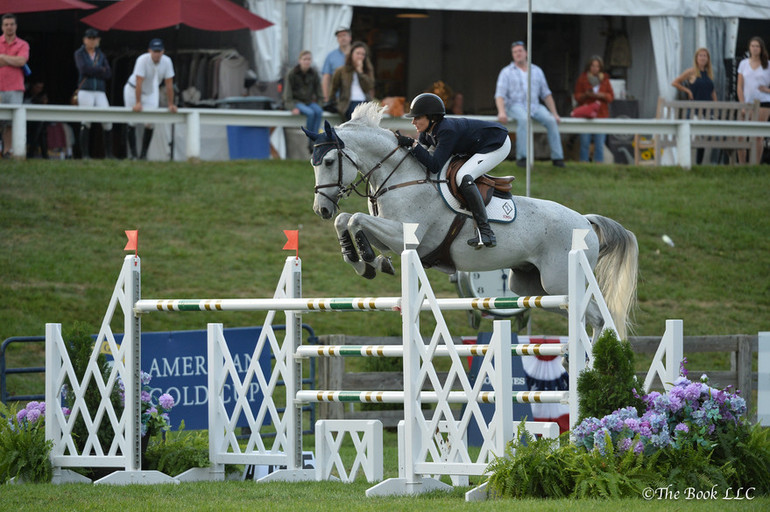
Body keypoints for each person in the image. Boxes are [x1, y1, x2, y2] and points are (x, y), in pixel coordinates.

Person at [397, 93, 511, 248]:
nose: (413, 121)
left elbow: (435, 165)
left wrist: (413, 144)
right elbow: (422, 157)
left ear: (431, 118)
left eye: (417, 117)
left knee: (464, 177)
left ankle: (486, 232)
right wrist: (408, 146)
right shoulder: (427, 133)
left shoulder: (446, 131)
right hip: (476, 144)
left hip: (496, 143)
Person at [494, 41, 564, 167]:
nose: (517, 54)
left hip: (535, 106)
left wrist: (555, 113)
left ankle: (557, 158)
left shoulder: (536, 70)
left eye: (520, 51)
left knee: (551, 121)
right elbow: (500, 95)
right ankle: (522, 158)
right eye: (515, 52)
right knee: (524, 119)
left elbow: (546, 94)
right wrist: (501, 111)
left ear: (526, 52)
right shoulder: (506, 72)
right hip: (515, 106)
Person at [124, 38, 177, 160]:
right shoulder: (142, 60)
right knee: (131, 121)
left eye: (159, 51)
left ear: (163, 51)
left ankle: (143, 154)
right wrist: (137, 102)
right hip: (133, 90)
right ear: (149, 51)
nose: (157, 54)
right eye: (154, 51)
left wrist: (171, 104)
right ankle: (133, 154)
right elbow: (139, 82)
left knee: (150, 122)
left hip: (151, 91)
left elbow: (169, 84)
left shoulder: (167, 61)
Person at [671, 48, 717, 164]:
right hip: (694, 111)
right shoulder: (691, 72)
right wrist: (688, 91)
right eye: (700, 56)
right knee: (689, 138)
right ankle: (685, 162)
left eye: (705, 56)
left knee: (703, 138)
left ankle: (699, 163)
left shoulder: (709, 74)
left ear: (708, 59)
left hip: (707, 111)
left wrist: (716, 107)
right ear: (696, 58)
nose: (702, 58)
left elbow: (713, 92)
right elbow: (675, 82)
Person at [74, 28, 113, 159]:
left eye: (94, 38)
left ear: (98, 40)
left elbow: (108, 73)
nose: (92, 41)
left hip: (100, 91)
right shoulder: (79, 53)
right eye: (89, 38)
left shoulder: (101, 54)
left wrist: (96, 70)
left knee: (107, 119)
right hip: (85, 90)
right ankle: (85, 154)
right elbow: (83, 69)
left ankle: (108, 154)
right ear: (85, 40)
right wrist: (100, 70)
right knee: (86, 121)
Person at [573, 56, 614, 163]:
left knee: (599, 143)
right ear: (589, 67)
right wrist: (586, 95)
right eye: (593, 66)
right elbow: (577, 96)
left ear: (600, 68)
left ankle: (598, 165)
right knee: (584, 143)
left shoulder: (605, 79)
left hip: (601, 114)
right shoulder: (582, 79)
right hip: (586, 114)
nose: (595, 68)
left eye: (597, 66)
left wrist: (602, 95)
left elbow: (611, 97)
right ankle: (583, 164)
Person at [0, 13, 29, 159]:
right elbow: (17, 61)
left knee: (11, 122)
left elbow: (22, 62)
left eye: (12, 24)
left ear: (16, 26)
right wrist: (14, 59)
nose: (9, 27)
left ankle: (7, 151)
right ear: (2, 27)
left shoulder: (23, 44)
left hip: (15, 88)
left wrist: (3, 58)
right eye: (6, 24)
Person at [737, 37, 770, 164]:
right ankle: (742, 164)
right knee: (740, 136)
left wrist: (767, 90)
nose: (755, 48)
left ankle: (754, 165)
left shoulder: (767, 65)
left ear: (761, 49)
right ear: (749, 48)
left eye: (757, 46)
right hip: (747, 102)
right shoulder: (743, 63)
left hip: (763, 102)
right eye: (752, 46)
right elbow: (739, 86)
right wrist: (743, 104)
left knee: (757, 136)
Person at [283, 50, 324, 148]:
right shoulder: (292, 73)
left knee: (318, 111)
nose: (307, 61)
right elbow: (287, 94)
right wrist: (292, 107)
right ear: (300, 60)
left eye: (309, 59)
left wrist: (320, 103)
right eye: (304, 59)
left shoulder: (314, 73)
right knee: (310, 113)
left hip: (309, 102)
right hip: (297, 102)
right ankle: (310, 140)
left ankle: (316, 138)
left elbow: (319, 92)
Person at [329, 41, 375, 121]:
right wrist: (335, 103)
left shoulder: (367, 70)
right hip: (348, 103)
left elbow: (369, 87)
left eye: (362, 54)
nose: (360, 56)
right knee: (356, 114)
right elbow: (333, 88)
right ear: (351, 54)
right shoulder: (341, 71)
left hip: (364, 101)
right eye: (358, 53)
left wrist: (360, 72)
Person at [321, 27, 351, 105]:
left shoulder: (358, 54)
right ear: (337, 39)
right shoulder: (331, 56)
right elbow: (326, 78)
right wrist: (326, 98)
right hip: (337, 98)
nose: (342, 38)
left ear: (350, 37)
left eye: (344, 35)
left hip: (356, 98)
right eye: (339, 36)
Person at [24, 79, 48, 159]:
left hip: (36, 121)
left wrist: (43, 102)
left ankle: (31, 153)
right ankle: (44, 155)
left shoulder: (42, 95)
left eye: (41, 88)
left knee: (40, 127)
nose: (39, 90)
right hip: (24, 120)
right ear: (33, 86)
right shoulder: (25, 93)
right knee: (40, 130)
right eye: (37, 87)